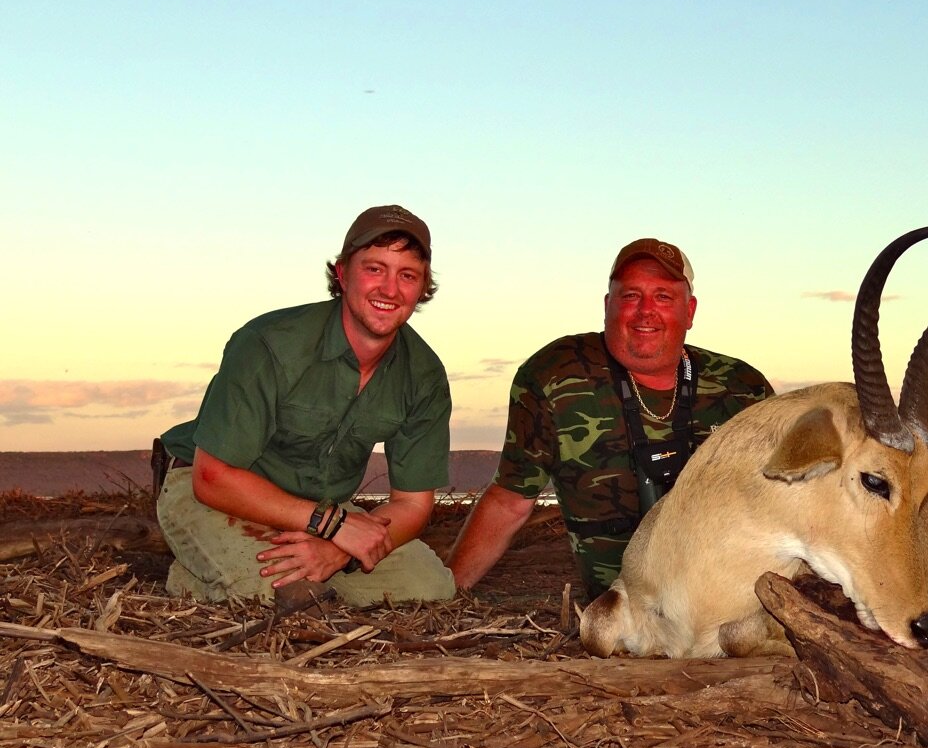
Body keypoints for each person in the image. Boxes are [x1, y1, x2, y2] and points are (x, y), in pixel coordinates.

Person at [155, 205, 456, 607]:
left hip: (321, 513)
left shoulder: (424, 375)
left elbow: (413, 503)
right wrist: (334, 525)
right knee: (283, 595)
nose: (390, 289)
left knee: (431, 587)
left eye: (407, 275)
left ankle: (267, 575)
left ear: (422, 289)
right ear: (342, 273)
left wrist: (340, 550)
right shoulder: (269, 342)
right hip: (211, 489)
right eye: (374, 269)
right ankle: (199, 575)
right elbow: (214, 477)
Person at [447, 238, 773, 600]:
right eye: (631, 295)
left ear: (690, 311)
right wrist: (444, 593)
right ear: (608, 306)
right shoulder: (554, 375)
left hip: (726, 600)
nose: (645, 311)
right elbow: (508, 502)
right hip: (617, 609)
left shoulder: (744, 387)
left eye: (664, 297)